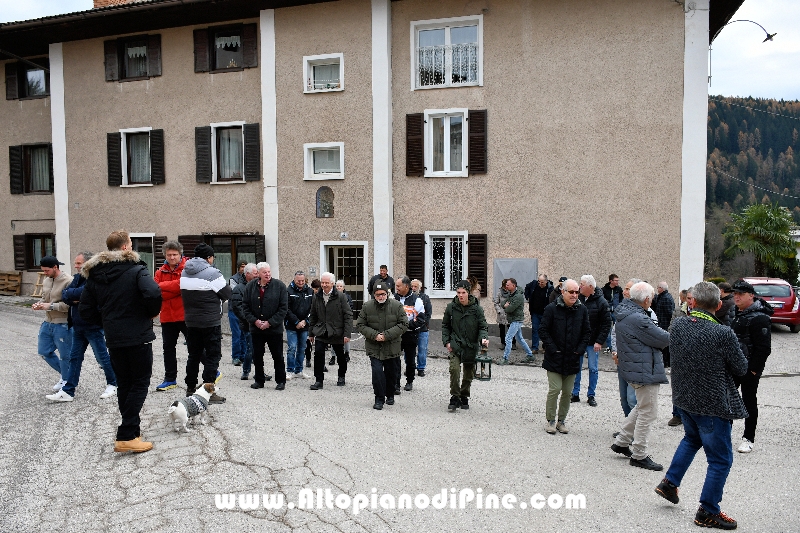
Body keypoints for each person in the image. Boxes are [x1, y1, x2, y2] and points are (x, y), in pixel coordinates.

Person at [655, 282, 748, 530]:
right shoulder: (723, 333)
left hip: (684, 398)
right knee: (720, 460)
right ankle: (708, 510)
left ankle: (669, 483)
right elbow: (740, 367)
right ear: (718, 306)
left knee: (691, 439)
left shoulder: (678, 325)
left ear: (692, 302)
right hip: (711, 404)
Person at [79, 230, 162, 453]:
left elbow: (85, 309)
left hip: (114, 338)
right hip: (138, 336)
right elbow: (153, 294)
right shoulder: (137, 270)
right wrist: (150, 314)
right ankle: (126, 434)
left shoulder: (95, 275)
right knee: (140, 382)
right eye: (131, 243)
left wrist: (106, 322)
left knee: (125, 383)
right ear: (126, 247)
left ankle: (133, 431)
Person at [610, 282, 670, 471]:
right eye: (651, 297)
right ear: (645, 299)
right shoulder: (639, 318)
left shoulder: (626, 313)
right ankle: (639, 454)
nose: (652, 300)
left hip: (636, 368)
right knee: (648, 411)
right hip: (644, 370)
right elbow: (663, 338)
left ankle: (621, 441)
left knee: (642, 406)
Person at [46, 251, 117, 402]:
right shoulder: (78, 277)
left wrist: (78, 298)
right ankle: (68, 391)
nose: (76, 266)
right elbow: (65, 295)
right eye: (76, 263)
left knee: (102, 357)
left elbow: (85, 294)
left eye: (79, 263)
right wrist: (76, 299)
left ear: (88, 263)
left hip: (92, 326)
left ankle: (113, 383)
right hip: (78, 326)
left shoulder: (95, 278)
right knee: (75, 358)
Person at [180, 243, 231, 402]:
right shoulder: (212, 273)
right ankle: (208, 391)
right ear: (209, 257)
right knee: (212, 356)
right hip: (210, 321)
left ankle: (190, 388)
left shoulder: (185, 272)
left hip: (191, 321)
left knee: (193, 355)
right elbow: (227, 293)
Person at [539, 279, 589, 434]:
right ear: (563, 292)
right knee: (555, 389)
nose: (574, 295)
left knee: (568, 392)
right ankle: (551, 420)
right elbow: (543, 330)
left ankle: (561, 421)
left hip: (572, 358)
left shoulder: (582, 310)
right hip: (554, 357)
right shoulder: (551, 309)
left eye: (577, 292)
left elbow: (587, 332)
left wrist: (579, 350)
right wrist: (553, 349)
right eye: (571, 292)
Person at [730, 279, 772, 454]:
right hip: (733, 366)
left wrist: (753, 370)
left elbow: (764, 349)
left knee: (748, 402)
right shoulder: (736, 313)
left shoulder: (760, 318)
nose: (736, 296)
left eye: (741, 294)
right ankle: (723, 435)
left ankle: (748, 438)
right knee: (728, 400)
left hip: (749, 369)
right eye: (735, 293)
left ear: (751, 296)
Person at [356, 282, 408, 410]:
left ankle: (390, 394)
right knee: (377, 373)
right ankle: (379, 398)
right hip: (374, 347)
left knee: (391, 374)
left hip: (392, 346)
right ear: (374, 295)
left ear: (387, 294)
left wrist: (386, 335)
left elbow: (404, 324)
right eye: (378, 294)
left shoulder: (396, 306)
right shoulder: (367, 307)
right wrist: (374, 335)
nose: (381, 297)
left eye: (383, 294)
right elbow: (360, 325)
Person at [442, 280, 489, 411]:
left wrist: (483, 339)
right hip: (456, 344)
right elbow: (445, 325)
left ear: (468, 292)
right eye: (458, 293)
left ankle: (464, 395)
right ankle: (454, 396)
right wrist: (446, 341)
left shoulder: (477, 309)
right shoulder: (451, 307)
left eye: (463, 292)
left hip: (471, 345)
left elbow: (483, 326)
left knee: (468, 373)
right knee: (454, 370)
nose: (461, 295)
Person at [241, 262, 288, 390]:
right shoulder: (250, 287)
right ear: (259, 274)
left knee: (277, 355)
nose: (267, 274)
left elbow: (283, 308)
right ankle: (259, 380)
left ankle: (280, 381)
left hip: (274, 329)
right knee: (257, 356)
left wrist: (270, 322)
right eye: (264, 272)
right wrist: (255, 321)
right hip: (256, 329)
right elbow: (245, 307)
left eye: (269, 272)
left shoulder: (279, 286)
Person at [32, 255, 74, 392]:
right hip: (47, 322)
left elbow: (70, 306)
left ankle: (67, 382)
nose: (45, 273)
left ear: (55, 267)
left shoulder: (69, 281)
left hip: (62, 323)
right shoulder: (47, 280)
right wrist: (39, 304)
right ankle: (66, 376)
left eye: (46, 271)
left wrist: (50, 306)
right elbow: (44, 298)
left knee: (65, 356)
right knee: (43, 351)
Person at [570, 275, 611, 406]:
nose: (579, 286)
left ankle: (591, 395)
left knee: (593, 368)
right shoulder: (578, 300)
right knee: (576, 367)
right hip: (579, 341)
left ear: (590, 287)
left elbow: (606, 324)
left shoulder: (601, 302)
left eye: (582, 284)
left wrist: (599, 341)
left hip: (593, 342)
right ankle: (575, 393)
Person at [153, 241, 187, 391]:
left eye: (174, 254)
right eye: (169, 255)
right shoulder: (160, 272)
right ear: (165, 255)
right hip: (167, 316)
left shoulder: (187, 269)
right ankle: (170, 379)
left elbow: (184, 286)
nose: (172, 257)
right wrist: (175, 289)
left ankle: (213, 371)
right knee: (168, 349)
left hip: (184, 315)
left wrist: (163, 288)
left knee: (195, 346)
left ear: (180, 254)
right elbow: (155, 292)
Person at [308, 272, 352, 389]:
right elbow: (313, 315)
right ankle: (319, 380)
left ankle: (341, 375)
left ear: (332, 283)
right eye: (322, 282)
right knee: (318, 354)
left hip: (336, 331)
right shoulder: (316, 296)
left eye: (327, 283)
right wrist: (311, 333)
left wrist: (347, 334)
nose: (324, 285)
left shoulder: (341, 296)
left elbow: (348, 315)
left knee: (340, 356)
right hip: (321, 330)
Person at [611, 278, 641, 417]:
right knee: (624, 399)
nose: (624, 291)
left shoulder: (646, 312)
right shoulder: (622, 309)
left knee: (632, 399)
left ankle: (636, 433)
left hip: (635, 363)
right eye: (625, 288)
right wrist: (615, 351)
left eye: (628, 289)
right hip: (621, 360)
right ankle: (628, 430)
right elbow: (615, 332)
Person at [393, 276, 426, 393]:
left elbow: (421, 319)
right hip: (396, 335)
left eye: (398, 286)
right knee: (395, 359)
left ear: (406, 287)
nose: (396, 288)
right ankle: (396, 384)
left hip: (410, 334)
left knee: (410, 360)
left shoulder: (416, 300)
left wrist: (404, 326)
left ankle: (409, 381)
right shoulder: (393, 298)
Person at [230, 263, 258, 380]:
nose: (257, 275)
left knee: (257, 349)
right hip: (248, 325)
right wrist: (251, 320)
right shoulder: (239, 289)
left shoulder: (258, 286)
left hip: (258, 323)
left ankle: (258, 372)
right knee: (250, 348)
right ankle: (246, 371)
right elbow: (238, 308)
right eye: (255, 273)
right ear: (248, 274)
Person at [499, 278, 534, 365]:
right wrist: (506, 305)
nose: (506, 286)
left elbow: (510, 309)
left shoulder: (518, 296)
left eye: (508, 285)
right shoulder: (511, 294)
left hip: (516, 320)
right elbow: (503, 303)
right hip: (514, 319)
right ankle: (530, 355)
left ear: (513, 286)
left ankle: (505, 358)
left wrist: (506, 306)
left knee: (508, 338)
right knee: (520, 338)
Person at [285, 271, 313, 379]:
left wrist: (306, 321)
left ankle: (299, 370)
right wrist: (296, 322)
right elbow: (286, 309)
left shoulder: (310, 291)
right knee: (292, 348)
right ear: (294, 279)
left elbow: (313, 308)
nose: (300, 282)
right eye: (298, 281)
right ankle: (290, 370)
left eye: (302, 280)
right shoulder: (288, 291)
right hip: (292, 325)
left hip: (305, 325)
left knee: (302, 348)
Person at [524, 274, 553, 353]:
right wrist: (527, 297)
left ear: (546, 281)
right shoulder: (534, 284)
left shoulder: (550, 288)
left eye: (542, 282)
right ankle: (534, 348)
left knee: (545, 330)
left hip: (545, 313)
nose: (540, 283)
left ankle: (545, 347)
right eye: (539, 281)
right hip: (535, 312)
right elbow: (526, 287)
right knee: (535, 329)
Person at [227, 261, 248, 366]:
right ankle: (236, 356)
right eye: (241, 267)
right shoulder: (233, 279)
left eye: (245, 267)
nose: (243, 269)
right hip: (234, 310)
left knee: (244, 335)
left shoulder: (249, 280)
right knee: (237, 335)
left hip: (244, 310)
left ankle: (244, 356)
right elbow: (236, 292)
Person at [410, 279, 432, 377]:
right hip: (410, 328)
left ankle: (421, 368)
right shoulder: (408, 298)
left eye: (416, 287)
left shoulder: (425, 298)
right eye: (412, 286)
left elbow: (428, 313)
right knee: (409, 350)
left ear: (420, 288)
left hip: (423, 328)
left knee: (422, 349)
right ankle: (410, 367)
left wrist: (421, 323)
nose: (413, 289)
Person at [331, 279, 354, 365]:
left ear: (343, 288)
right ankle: (333, 356)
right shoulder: (332, 296)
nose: (339, 288)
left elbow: (350, 308)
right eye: (337, 286)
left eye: (340, 286)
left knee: (346, 338)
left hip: (344, 321)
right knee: (333, 338)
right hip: (334, 321)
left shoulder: (347, 297)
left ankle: (347, 353)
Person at [654, 281, 675, 368]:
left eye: (658, 287)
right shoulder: (662, 297)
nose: (657, 289)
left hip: (664, 324)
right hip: (662, 323)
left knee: (665, 345)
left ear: (661, 289)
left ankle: (666, 362)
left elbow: (669, 313)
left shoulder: (665, 298)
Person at [602, 274, 623, 352]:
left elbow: (621, 300)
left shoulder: (619, 290)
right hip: (607, 311)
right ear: (611, 281)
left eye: (618, 280)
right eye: (616, 280)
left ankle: (616, 345)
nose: (617, 282)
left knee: (617, 328)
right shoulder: (604, 290)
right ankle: (608, 346)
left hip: (616, 311)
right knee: (607, 328)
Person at [493, 279, 515, 350]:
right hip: (501, 314)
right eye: (505, 286)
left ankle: (513, 343)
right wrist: (499, 311)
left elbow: (514, 302)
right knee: (502, 329)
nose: (506, 287)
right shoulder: (499, 292)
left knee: (511, 329)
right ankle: (503, 343)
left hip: (510, 313)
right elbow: (496, 303)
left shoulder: (512, 293)